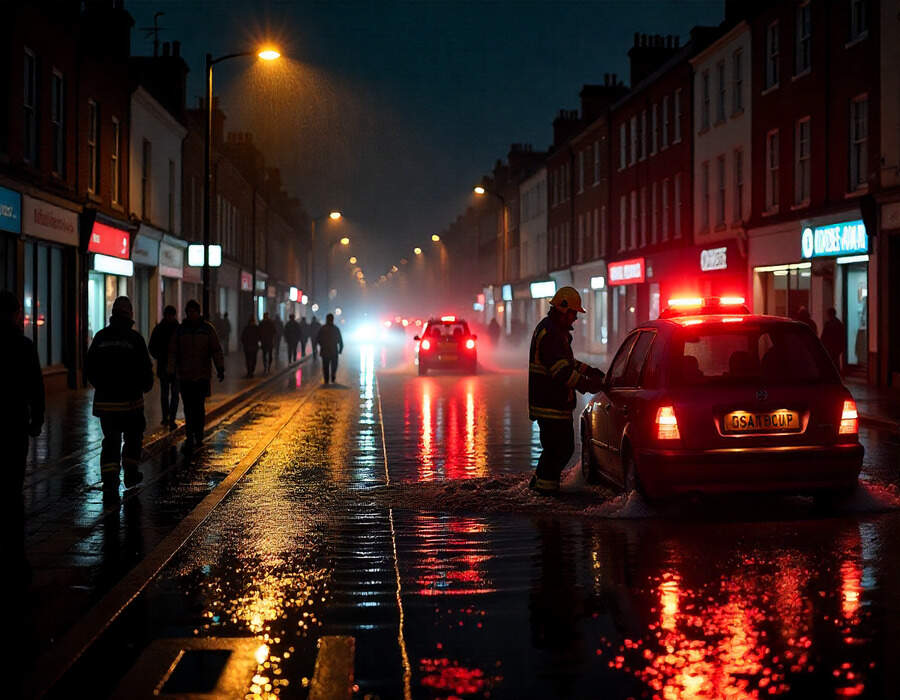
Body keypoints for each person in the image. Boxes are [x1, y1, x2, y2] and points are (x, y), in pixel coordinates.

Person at [528, 287, 605, 495]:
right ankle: (545, 495)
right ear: (563, 309)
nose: (576, 319)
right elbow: (561, 371)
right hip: (550, 404)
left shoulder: (553, 331)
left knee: (558, 450)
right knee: (559, 450)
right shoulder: (551, 334)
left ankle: (540, 485)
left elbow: (567, 362)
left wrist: (589, 370)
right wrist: (589, 385)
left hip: (552, 403)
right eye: (574, 313)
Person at [86, 296, 154, 495]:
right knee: (133, 438)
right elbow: (146, 369)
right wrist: (145, 385)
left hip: (106, 405)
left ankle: (109, 481)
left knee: (110, 441)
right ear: (130, 314)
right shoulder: (135, 339)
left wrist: (101, 385)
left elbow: (90, 368)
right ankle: (131, 474)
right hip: (131, 403)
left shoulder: (100, 338)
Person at [0, 291, 44, 578]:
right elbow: (36, 387)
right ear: (17, 312)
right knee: (13, 491)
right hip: (14, 424)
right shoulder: (23, 345)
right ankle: (15, 556)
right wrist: (36, 421)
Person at [168, 299, 225, 454]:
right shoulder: (181, 330)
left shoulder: (207, 329)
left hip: (202, 376)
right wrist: (170, 370)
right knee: (188, 408)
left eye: (194, 311)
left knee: (199, 407)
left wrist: (220, 368)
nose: (191, 314)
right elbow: (173, 352)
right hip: (185, 376)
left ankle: (198, 435)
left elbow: (216, 350)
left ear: (198, 312)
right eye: (189, 311)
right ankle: (190, 435)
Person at [148, 305, 180, 429]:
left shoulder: (160, 329)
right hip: (168, 366)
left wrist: (159, 356)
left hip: (171, 366)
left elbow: (151, 347)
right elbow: (152, 347)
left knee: (170, 394)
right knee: (168, 394)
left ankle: (169, 418)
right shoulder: (178, 329)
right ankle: (168, 417)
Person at [316, 313, 344, 384]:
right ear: (333, 319)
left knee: (325, 366)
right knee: (334, 365)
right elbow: (340, 340)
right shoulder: (336, 329)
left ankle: (326, 379)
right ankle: (333, 377)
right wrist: (340, 350)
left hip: (325, 351)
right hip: (333, 351)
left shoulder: (322, 329)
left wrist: (321, 345)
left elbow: (318, 339)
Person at [821, 307, 846, 371]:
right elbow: (842, 336)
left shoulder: (828, 324)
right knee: (836, 361)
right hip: (837, 347)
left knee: (830, 363)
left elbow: (824, 336)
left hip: (829, 347)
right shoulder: (839, 323)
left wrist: (822, 345)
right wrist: (842, 347)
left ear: (829, 314)